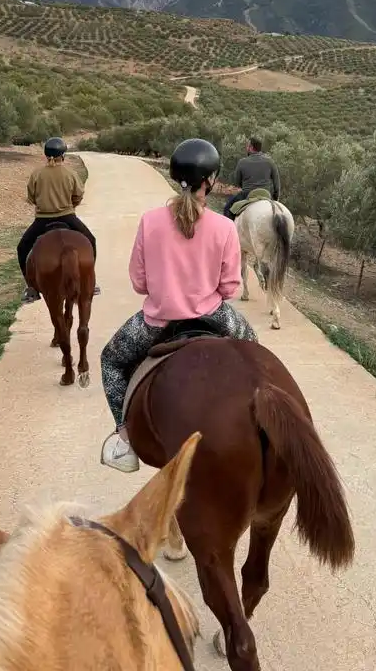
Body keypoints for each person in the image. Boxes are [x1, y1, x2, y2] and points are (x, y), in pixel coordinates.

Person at [100, 137, 257, 473]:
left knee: (111, 361)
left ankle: (123, 439)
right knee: (255, 351)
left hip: (157, 321)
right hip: (213, 316)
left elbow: (139, 282)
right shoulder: (225, 227)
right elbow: (230, 288)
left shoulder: (150, 221)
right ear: (210, 180)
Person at [17, 137, 99, 303]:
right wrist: (70, 205)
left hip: (42, 219)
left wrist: (44, 204)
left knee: (23, 247)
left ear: (46, 154)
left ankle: (31, 288)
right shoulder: (70, 173)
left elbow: (31, 197)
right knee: (90, 240)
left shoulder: (36, 174)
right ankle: (89, 281)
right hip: (68, 217)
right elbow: (78, 195)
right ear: (63, 155)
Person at [223, 135, 281, 220]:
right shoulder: (270, 162)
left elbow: (237, 183)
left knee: (227, 208)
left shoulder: (242, 162)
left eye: (247, 146)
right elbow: (277, 185)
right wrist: (275, 198)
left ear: (251, 147)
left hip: (247, 195)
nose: (246, 147)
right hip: (266, 195)